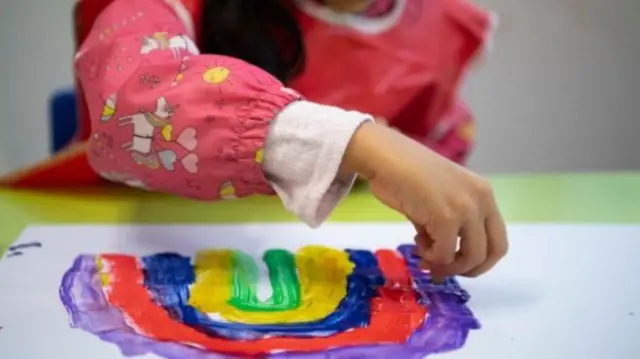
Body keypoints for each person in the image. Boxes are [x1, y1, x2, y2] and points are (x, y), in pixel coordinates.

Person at [7, 0, 508, 279]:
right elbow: (134, 95)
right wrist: (359, 142)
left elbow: (437, 146)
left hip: (315, 251)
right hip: (125, 240)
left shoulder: (441, 24)